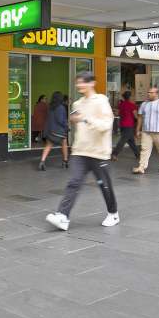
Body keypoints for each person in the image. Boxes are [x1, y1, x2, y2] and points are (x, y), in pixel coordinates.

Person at [46, 71, 119, 230]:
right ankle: (63, 216)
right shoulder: (77, 104)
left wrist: (85, 119)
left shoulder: (101, 101)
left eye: (82, 82)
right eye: (78, 82)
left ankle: (113, 213)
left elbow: (106, 125)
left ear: (92, 83)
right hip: (80, 151)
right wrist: (74, 120)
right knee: (74, 182)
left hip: (98, 152)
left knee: (104, 185)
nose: (79, 85)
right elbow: (75, 121)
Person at [132, 86, 159, 174]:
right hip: (146, 131)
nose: (148, 94)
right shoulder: (144, 104)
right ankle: (141, 167)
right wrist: (138, 129)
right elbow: (140, 117)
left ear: (156, 94)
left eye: (151, 92)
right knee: (144, 149)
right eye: (148, 92)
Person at [39, 91, 68, 170]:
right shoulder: (61, 107)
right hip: (59, 131)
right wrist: (66, 126)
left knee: (48, 145)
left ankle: (42, 162)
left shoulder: (50, 107)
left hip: (50, 130)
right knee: (64, 143)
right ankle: (65, 162)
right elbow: (61, 120)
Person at [112, 90, 140, 161]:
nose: (133, 97)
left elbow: (118, 113)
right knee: (123, 140)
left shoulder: (121, 104)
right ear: (130, 97)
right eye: (132, 96)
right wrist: (140, 119)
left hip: (122, 125)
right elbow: (135, 116)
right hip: (129, 125)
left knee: (131, 141)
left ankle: (138, 155)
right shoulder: (132, 105)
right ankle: (114, 154)